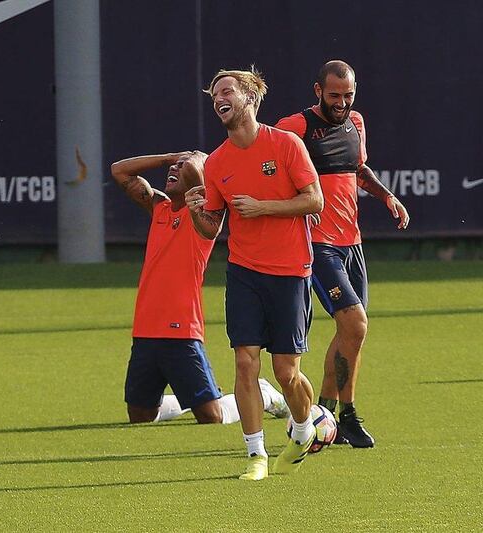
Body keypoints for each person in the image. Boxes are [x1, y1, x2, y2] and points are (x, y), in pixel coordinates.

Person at [182, 67, 324, 481]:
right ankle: (255, 455)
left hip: (291, 270)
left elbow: (314, 200)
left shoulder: (286, 144)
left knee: (286, 372)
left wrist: (264, 208)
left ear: (250, 98)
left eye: (227, 92)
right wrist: (197, 213)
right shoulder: (218, 161)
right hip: (244, 272)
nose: (218, 100)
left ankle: (302, 429)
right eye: (213, 96)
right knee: (245, 363)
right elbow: (213, 227)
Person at [275, 60, 410, 448]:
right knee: (355, 325)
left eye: (348, 95)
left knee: (351, 332)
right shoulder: (294, 127)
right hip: (319, 246)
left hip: (352, 243)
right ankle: (342, 415)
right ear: (317, 90)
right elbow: (272, 170)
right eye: (334, 95)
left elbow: (359, 168)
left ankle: (328, 414)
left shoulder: (357, 123)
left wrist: (387, 196)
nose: (342, 102)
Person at [110, 151, 289, 426]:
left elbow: (197, 171)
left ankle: (263, 394)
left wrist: (195, 161)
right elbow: (119, 170)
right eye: (173, 167)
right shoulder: (159, 207)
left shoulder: (204, 214)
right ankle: (184, 399)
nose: (174, 169)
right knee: (141, 417)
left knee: (211, 416)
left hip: (182, 330)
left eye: (181, 168)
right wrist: (169, 158)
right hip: (145, 329)